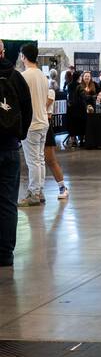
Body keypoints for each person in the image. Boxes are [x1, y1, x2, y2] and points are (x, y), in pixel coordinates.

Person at [0, 38, 33, 266]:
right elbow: (27, 111)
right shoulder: (16, 76)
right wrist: (17, 136)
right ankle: (4, 255)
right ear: (3, 52)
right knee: (7, 203)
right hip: (9, 147)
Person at [18, 42, 51, 208]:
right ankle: (40, 190)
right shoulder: (42, 76)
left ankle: (34, 193)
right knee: (40, 159)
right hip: (43, 121)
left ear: (23, 56)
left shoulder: (24, 76)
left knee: (33, 161)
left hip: (31, 124)